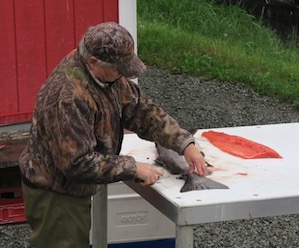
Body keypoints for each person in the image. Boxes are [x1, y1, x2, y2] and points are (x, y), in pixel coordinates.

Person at [19, 22, 207, 248]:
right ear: (93, 62)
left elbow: (143, 111)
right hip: (56, 195)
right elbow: (77, 163)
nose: (123, 75)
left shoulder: (106, 75)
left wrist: (185, 144)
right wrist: (133, 168)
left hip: (70, 189)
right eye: (119, 69)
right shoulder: (69, 96)